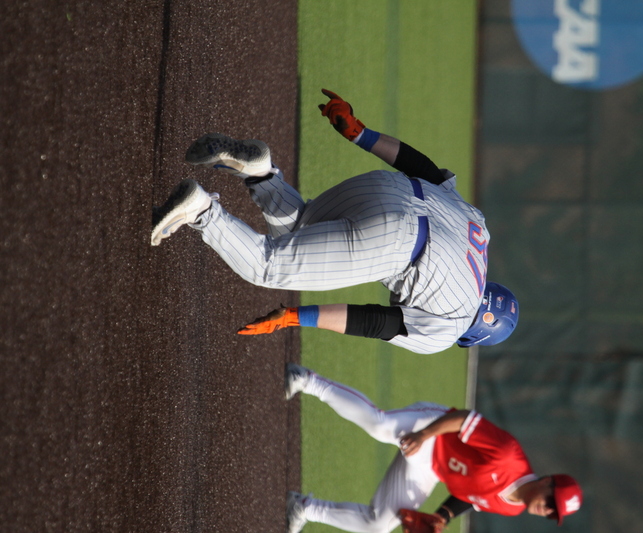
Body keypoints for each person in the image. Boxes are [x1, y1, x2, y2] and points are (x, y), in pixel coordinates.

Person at [150, 89, 518, 354]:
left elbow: (425, 169)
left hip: (389, 187)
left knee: (300, 231)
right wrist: (295, 317)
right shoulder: (449, 329)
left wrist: (362, 133)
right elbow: (375, 322)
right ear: (473, 336)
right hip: (396, 242)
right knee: (269, 268)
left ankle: (261, 173)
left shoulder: (479, 233)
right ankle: (201, 210)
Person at [282, 363, 583, 533]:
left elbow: (470, 497)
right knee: (379, 425)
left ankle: (304, 507)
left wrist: (443, 517)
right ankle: (307, 380)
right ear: (546, 481)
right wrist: (424, 435)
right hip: (438, 427)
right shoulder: (508, 456)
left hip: (431, 469)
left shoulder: (512, 508)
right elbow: (463, 419)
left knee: (378, 524)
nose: (546, 509)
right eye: (551, 501)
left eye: (551, 513)